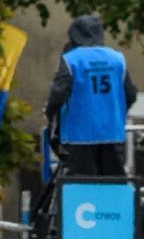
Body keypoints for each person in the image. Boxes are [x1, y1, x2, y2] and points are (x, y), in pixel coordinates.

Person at [44, 14, 137, 177]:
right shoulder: (117, 59)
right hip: (112, 132)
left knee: (82, 185)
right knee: (113, 183)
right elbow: (131, 94)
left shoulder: (71, 60)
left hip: (79, 134)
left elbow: (58, 93)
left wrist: (50, 114)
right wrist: (115, 113)